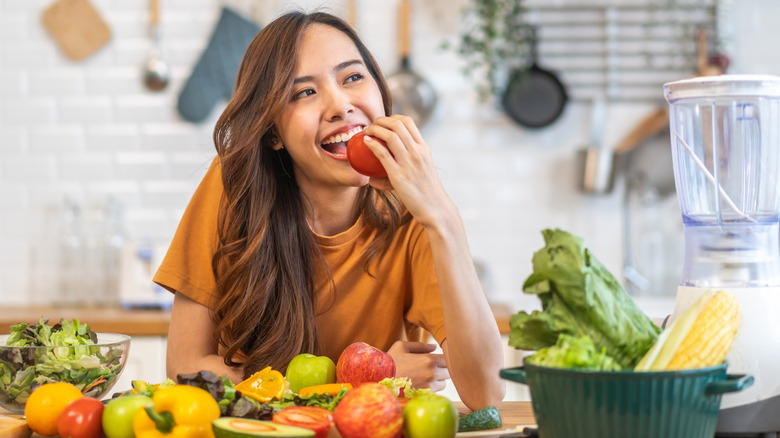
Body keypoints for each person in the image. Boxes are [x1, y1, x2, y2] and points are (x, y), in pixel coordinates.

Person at [153, 10, 505, 410]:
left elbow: (486, 392)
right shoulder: (233, 188)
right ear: (273, 134)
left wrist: (443, 216)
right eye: (304, 92)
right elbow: (186, 369)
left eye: (353, 77)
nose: (340, 105)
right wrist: (368, 379)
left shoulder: (415, 215)